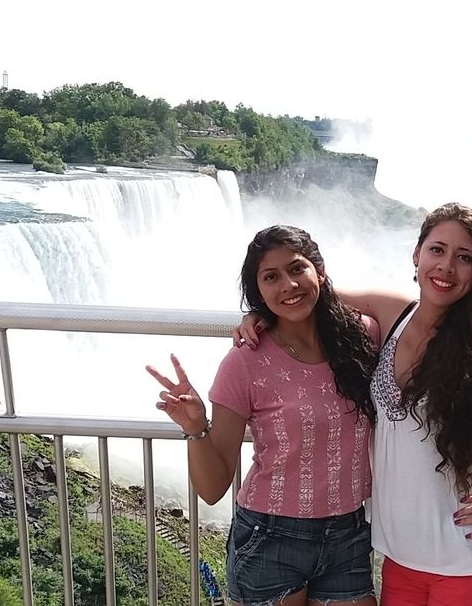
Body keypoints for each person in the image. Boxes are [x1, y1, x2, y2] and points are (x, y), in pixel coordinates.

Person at [236, 203, 472, 606]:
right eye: (437, 250)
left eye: (464, 258)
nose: (447, 266)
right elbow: (305, 294)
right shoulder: (392, 313)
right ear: (417, 254)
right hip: (401, 561)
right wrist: (259, 315)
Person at [149, 225, 380, 606]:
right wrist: (195, 427)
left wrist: (297, 299)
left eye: (297, 269)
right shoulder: (245, 360)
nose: (288, 284)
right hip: (270, 538)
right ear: (257, 291)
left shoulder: (361, 336)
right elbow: (212, 488)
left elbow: (412, 309)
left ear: (320, 271)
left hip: (347, 534)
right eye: (271, 278)